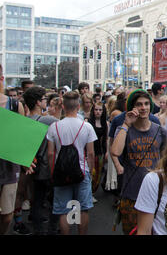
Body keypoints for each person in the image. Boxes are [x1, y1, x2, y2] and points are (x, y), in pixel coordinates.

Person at [110, 89, 167, 235]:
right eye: (139, 104)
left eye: (147, 104)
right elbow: (115, 151)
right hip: (131, 195)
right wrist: (126, 124)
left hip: (156, 194)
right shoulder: (124, 129)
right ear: (132, 108)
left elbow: (165, 159)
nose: (144, 108)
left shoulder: (160, 131)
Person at [46, 91, 97, 235]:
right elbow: (91, 153)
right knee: (83, 208)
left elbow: (50, 153)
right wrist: (90, 171)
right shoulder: (86, 127)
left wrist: (53, 172)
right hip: (82, 171)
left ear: (63, 106)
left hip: (61, 172)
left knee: (63, 209)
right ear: (78, 106)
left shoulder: (54, 127)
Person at [23, 86, 59, 235]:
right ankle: (52, 228)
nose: (46, 102)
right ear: (38, 102)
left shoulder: (24, 120)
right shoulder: (48, 120)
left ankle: (37, 229)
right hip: (47, 166)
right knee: (55, 200)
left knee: (37, 199)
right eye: (44, 99)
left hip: (32, 165)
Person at [0, 64, 26, 235]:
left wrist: (26, 159)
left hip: (9, 165)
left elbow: (22, 138)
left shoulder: (14, 104)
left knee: (7, 215)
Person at [87, 102, 108, 201]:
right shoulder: (88, 122)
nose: (98, 112)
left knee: (98, 174)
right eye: (96, 110)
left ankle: (92, 192)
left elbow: (106, 139)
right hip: (90, 152)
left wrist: (107, 151)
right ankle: (87, 193)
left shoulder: (105, 123)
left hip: (100, 152)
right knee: (90, 173)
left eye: (100, 110)